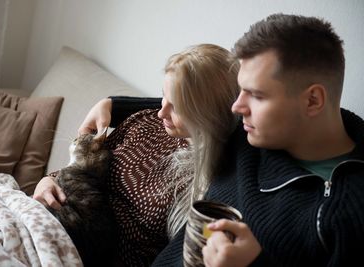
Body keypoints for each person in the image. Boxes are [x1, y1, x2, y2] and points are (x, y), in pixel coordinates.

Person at [151, 13, 364, 266]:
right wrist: (113, 104)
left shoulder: (353, 213)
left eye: (256, 95)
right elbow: (198, 106)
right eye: (241, 89)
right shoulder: (249, 132)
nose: (237, 106)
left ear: (312, 100)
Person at [33, 44, 240, 266]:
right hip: (47, 222)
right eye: (163, 97)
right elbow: (85, 166)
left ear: (207, 112)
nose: (161, 112)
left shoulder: (212, 179)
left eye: (177, 107)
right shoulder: (145, 121)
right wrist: (48, 180)